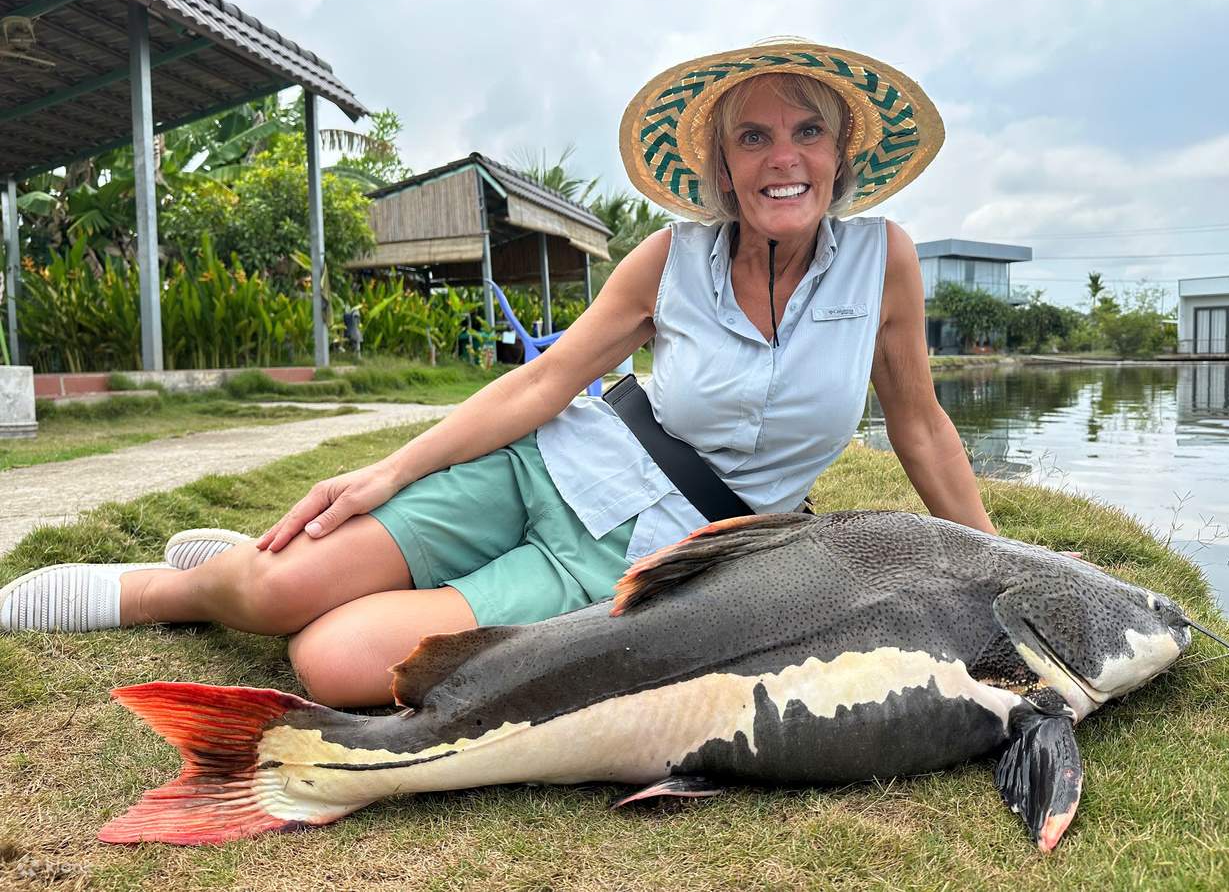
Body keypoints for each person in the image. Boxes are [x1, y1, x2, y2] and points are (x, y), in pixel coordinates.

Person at [0, 39, 995, 706]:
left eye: (806, 131)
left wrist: (1003, 568)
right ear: (722, 166)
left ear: (841, 151)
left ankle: (270, 575)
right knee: (271, 592)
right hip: (545, 466)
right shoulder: (667, 258)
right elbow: (540, 384)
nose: (783, 158)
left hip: (642, 561)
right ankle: (171, 588)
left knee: (329, 660)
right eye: (753, 135)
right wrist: (385, 471)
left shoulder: (885, 262)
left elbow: (918, 426)